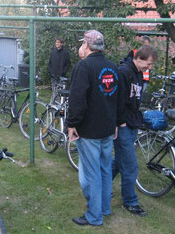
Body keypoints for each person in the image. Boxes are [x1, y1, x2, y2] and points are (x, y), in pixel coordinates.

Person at [67, 30, 125, 226]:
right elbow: (119, 99)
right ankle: (104, 208)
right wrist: (116, 122)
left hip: (90, 130)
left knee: (92, 174)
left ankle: (94, 216)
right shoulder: (112, 67)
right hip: (107, 128)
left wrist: (71, 124)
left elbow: (77, 100)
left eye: (82, 43)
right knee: (105, 169)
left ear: (86, 44)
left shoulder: (83, 67)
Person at [112, 44, 158, 217]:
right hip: (123, 125)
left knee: (119, 162)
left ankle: (101, 187)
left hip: (132, 124)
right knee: (130, 166)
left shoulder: (138, 73)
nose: (150, 67)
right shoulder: (123, 72)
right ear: (139, 58)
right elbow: (117, 100)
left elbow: (134, 100)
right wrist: (120, 122)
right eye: (149, 63)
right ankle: (130, 202)